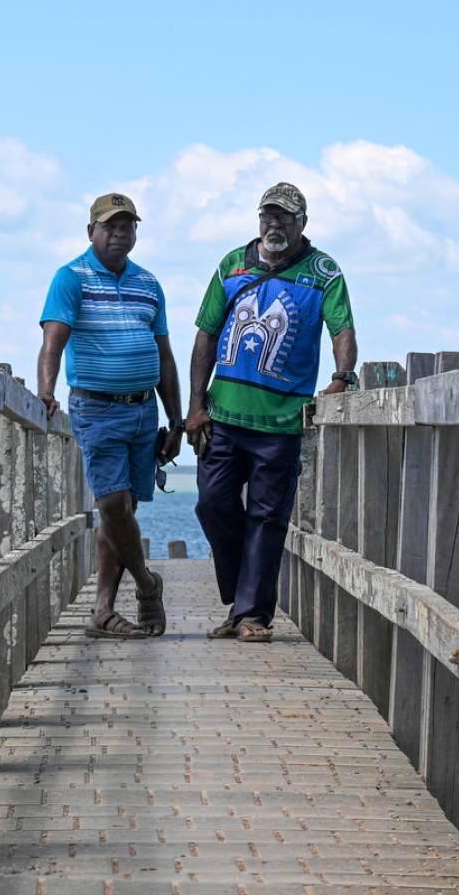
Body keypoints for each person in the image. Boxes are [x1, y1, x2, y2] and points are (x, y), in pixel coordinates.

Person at [186, 182, 358, 643]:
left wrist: (343, 374)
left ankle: (251, 615)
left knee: (267, 517)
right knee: (211, 502)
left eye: (284, 217)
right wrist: (195, 405)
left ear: (303, 223)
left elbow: (342, 328)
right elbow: (205, 335)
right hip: (223, 415)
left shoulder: (323, 271)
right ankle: (243, 592)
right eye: (268, 216)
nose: (274, 224)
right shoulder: (232, 264)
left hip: (281, 423)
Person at [38, 192, 184, 639]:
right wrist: (45, 392)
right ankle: (145, 583)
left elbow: (164, 357)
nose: (119, 235)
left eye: (128, 227)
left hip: (143, 409)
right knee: (112, 503)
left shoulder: (148, 283)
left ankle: (102, 610)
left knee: (123, 510)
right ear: (91, 232)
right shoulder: (72, 278)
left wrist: (176, 421)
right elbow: (53, 343)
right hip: (96, 407)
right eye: (110, 227)